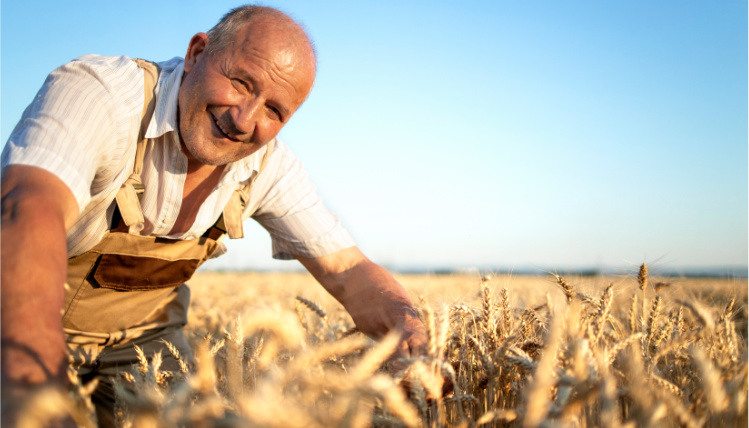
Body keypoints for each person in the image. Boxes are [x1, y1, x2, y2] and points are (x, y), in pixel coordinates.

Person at [1, 5, 430, 426]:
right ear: (195, 53)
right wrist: (32, 380)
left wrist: (407, 329)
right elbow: (28, 207)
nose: (245, 121)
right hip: (21, 320)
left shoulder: (268, 168)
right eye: (241, 82)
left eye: (274, 111)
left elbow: (347, 269)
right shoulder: (102, 93)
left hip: (146, 345)